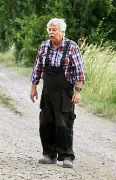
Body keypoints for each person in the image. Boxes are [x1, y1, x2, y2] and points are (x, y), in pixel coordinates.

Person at [30, 18, 85, 168]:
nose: (51, 32)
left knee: (64, 124)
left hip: (64, 93)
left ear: (62, 31)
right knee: (46, 123)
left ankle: (66, 156)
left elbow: (80, 72)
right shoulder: (44, 47)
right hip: (47, 92)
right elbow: (37, 68)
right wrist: (34, 87)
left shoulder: (71, 47)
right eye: (50, 30)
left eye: (54, 29)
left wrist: (78, 91)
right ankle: (49, 154)